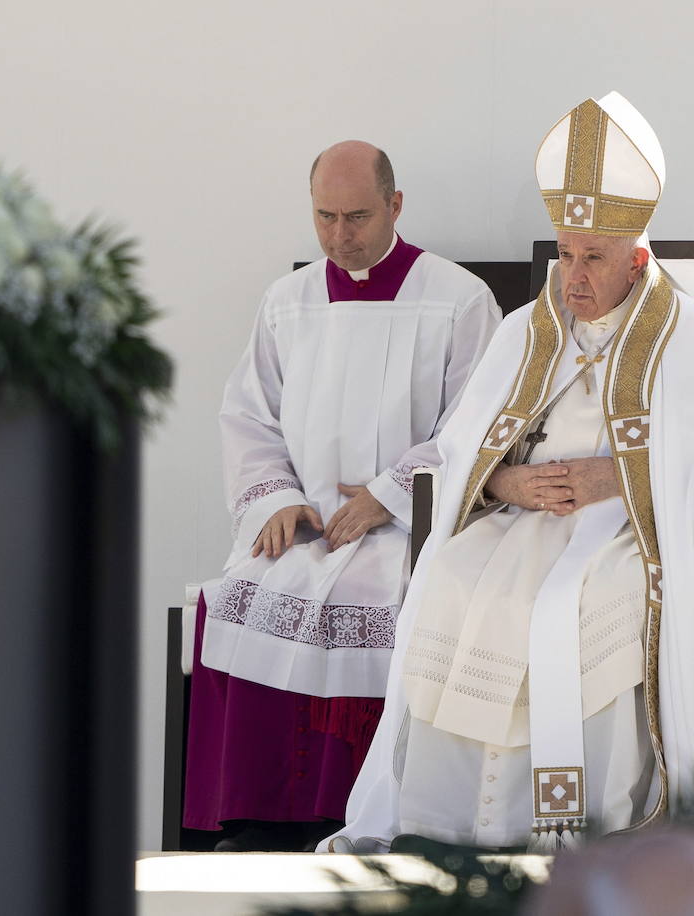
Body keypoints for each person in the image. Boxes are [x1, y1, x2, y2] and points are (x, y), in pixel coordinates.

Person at [325, 93, 694, 853]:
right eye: (565, 254)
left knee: (573, 605)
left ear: (636, 258)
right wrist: (504, 484)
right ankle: (449, 825)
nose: (572, 276)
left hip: (626, 526)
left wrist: (618, 475)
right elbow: (461, 444)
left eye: (592, 259)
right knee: (451, 579)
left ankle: (567, 829)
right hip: (522, 518)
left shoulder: (693, 337)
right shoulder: (527, 329)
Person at [184, 140, 502, 851]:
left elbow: (478, 423)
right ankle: (261, 818)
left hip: (405, 531)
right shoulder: (287, 302)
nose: (338, 236)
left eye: (356, 216)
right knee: (235, 598)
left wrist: (389, 495)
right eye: (324, 217)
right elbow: (246, 414)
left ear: (395, 204)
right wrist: (276, 500)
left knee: (386, 602)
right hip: (310, 527)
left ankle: (367, 821)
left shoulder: (458, 298)